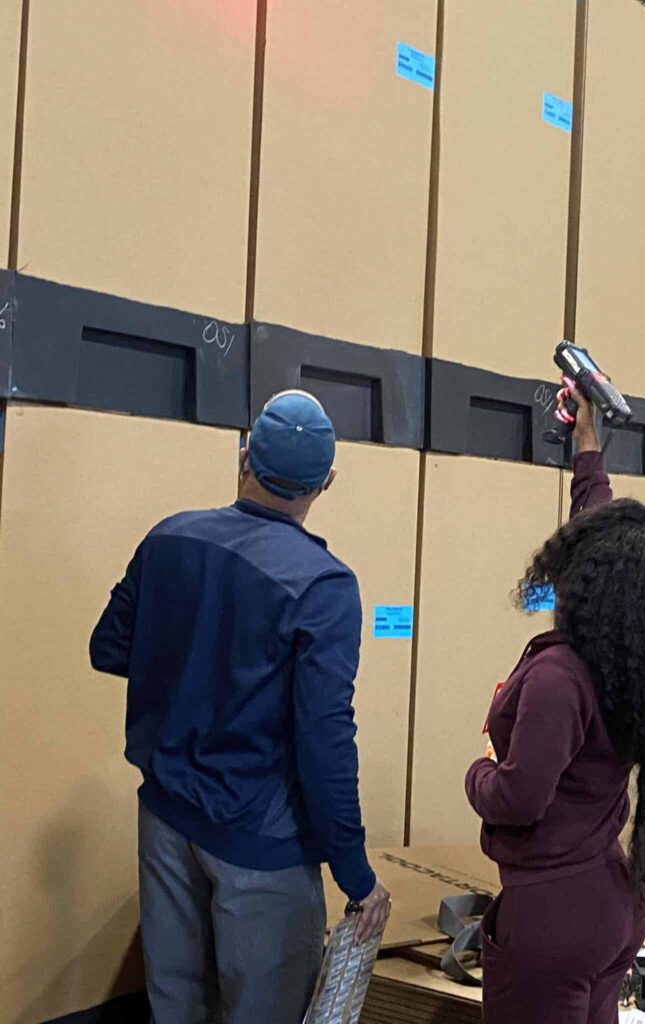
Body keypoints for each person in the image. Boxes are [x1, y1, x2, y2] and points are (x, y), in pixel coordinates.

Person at [90, 390, 391, 1024]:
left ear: (245, 455)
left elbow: (109, 647)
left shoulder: (167, 538)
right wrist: (356, 875)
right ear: (326, 482)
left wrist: (196, 668)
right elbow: (325, 742)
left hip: (166, 820)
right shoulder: (324, 584)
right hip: (261, 844)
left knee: (176, 1007)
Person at [465, 383, 645, 1024]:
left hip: (551, 919)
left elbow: (519, 798)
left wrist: (480, 767)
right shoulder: (630, 655)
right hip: (609, 902)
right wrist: (586, 443)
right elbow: (600, 521)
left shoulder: (559, 677)